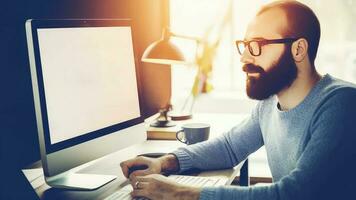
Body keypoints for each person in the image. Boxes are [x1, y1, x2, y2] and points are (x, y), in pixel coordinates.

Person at [120, 1, 356, 199]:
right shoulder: (269, 104)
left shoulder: (341, 104)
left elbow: (293, 194)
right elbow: (230, 147)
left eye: (257, 45)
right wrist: (165, 162)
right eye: (244, 45)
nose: (244, 57)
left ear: (298, 49)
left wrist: (179, 192)